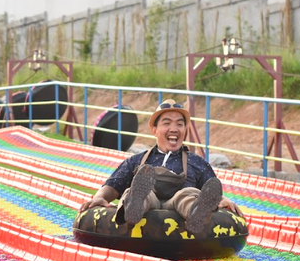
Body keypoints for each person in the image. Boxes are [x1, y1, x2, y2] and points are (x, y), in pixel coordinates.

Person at [79, 99, 243, 234]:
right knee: (138, 192)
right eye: (167, 123)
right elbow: (113, 185)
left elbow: (211, 189)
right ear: (154, 130)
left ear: (185, 130)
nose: (174, 129)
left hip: (178, 204)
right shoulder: (137, 160)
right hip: (149, 200)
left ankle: (197, 213)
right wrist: (99, 197)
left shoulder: (197, 163)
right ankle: (132, 208)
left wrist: (224, 201)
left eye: (180, 124)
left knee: (188, 194)